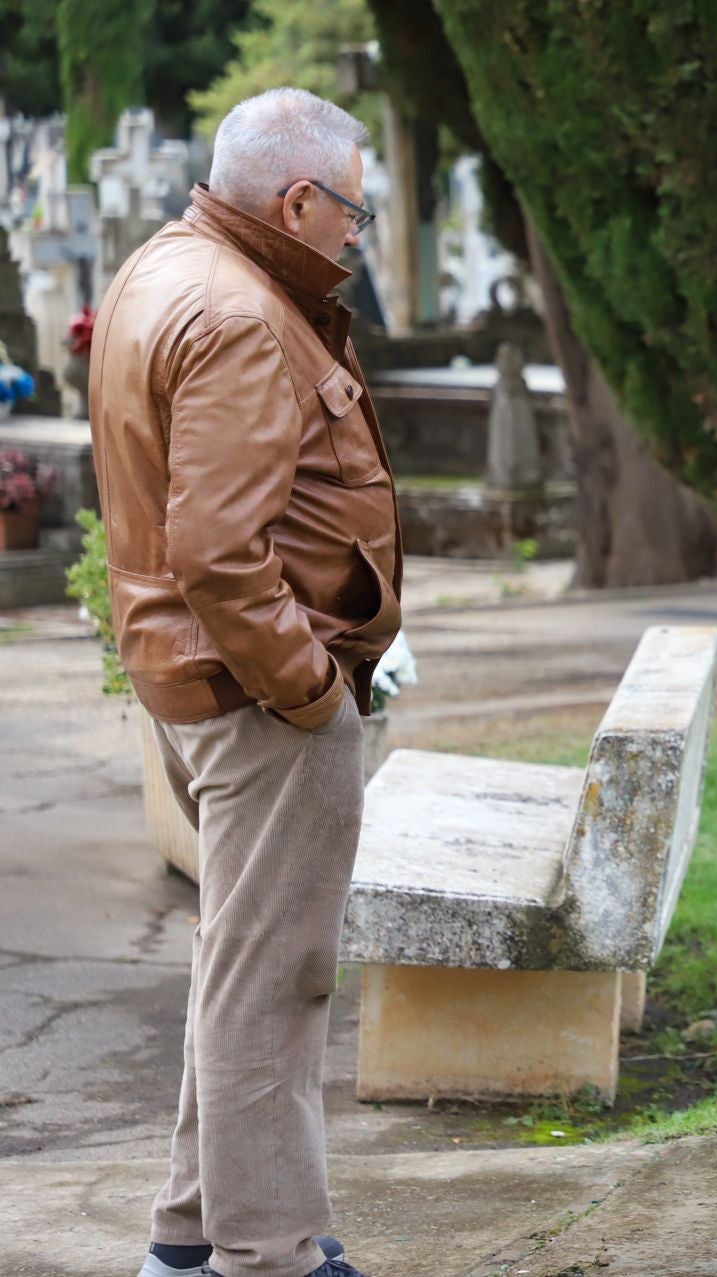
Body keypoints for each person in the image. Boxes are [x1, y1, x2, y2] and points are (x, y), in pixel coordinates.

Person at [87, 87, 399, 1277]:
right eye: (353, 211)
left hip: (195, 676)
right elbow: (219, 552)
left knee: (241, 964)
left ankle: (187, 1234)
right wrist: (312, 690)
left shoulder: (168, 266)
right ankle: (266, 1251)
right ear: (298, 200)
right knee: (277, 978)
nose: (356, 234)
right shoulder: (241, 312)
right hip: (257, 693)